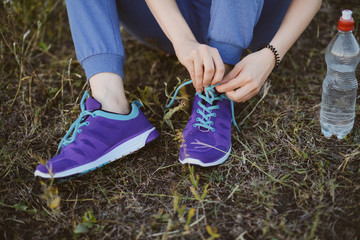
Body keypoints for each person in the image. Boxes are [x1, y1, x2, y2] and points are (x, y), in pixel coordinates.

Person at [35, 0, 322, 178]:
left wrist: (271, 55)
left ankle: (216, 85)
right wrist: (182, 39)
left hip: (250, 14)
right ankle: (110, 105)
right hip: (171, 19)